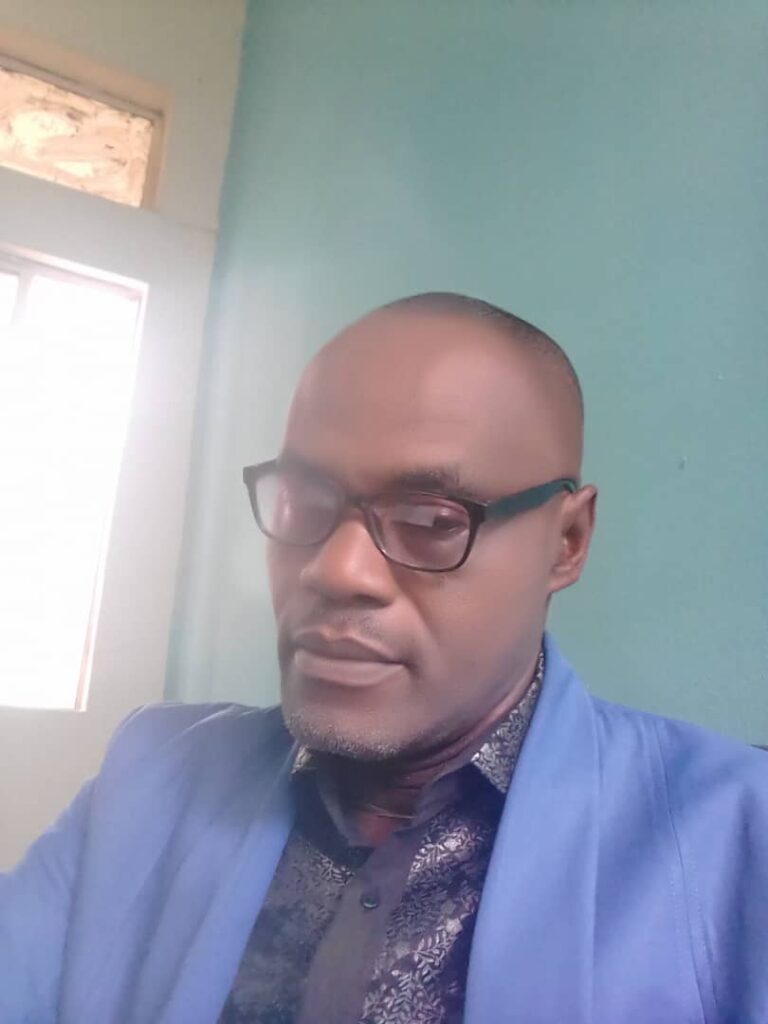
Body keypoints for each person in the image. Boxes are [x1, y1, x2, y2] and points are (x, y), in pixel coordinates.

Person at [1, 292, 766, 1024]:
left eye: (431, 518)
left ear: (566, 542)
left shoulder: (736, 837)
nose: (336, 570)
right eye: (302, 500)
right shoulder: (153, 776)